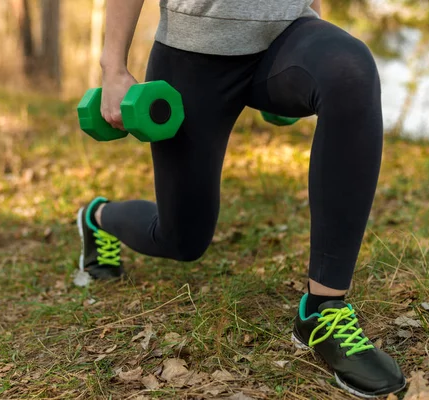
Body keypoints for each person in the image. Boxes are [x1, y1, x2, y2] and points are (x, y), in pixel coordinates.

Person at [76, 0, 405, 397]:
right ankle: (99, 217)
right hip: (194, 50)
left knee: (349, 70)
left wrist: (316, 26)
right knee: (182, 239)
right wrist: (113, 68)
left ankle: (323, 310)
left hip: (287, 37)